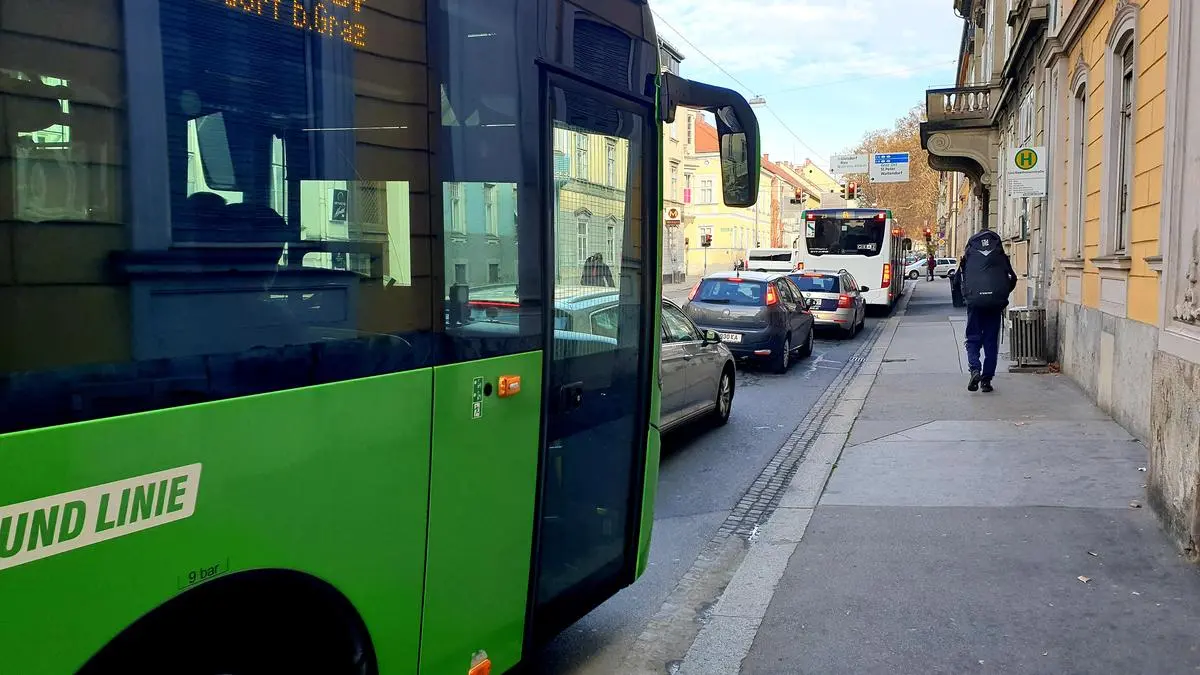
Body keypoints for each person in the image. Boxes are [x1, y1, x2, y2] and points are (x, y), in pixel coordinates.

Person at [958, 230, 1018, 393]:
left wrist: (967, 296)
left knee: (972, 338)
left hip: (975, 304)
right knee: (991, 342)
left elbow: (961, 279)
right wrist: (1002, 294)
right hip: (995, 305)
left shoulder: (970, 254)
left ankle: (975, 369)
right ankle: (986, 380)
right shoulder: (999, 255)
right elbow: (1013, 277)